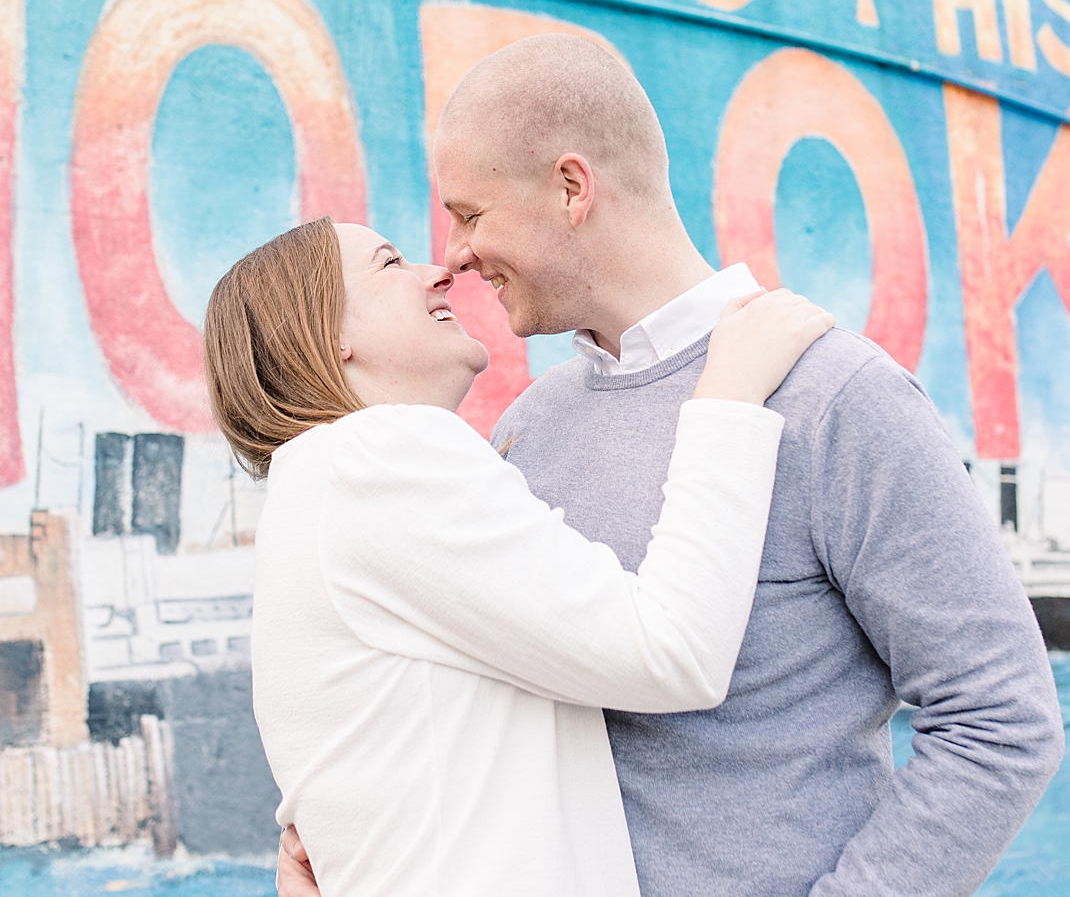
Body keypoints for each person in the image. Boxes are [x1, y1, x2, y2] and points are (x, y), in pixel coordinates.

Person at [277, 34, 1064, 897]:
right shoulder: (526, 431)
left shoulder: (838, 396)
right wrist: (335, 828)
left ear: (571, 188)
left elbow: (1000, 719)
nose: (455, 255)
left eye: (469, 214)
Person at [204, 216, 835, 897]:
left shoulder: (313, 495)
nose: (437, 270)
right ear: (330, 334)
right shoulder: (375, 455)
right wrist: (729, 394)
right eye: (389, 263)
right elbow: (672, 651)